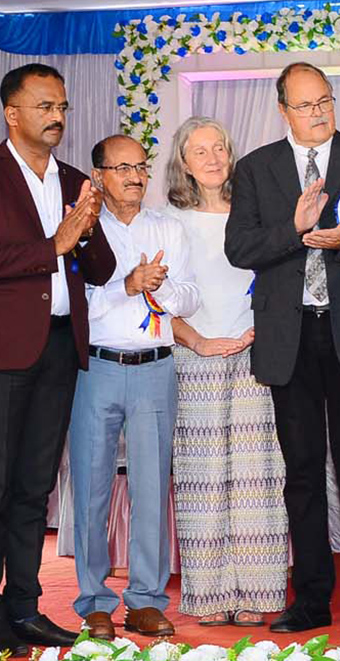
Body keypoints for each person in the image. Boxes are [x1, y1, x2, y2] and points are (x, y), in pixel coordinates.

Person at [225, 62, 340, 634]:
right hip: (289, 338)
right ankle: (312, 598)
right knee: (301, 472)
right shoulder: (255, 168)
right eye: (305, 105)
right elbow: (240, 247)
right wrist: (295, 233)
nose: (319, 111)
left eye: (324, 99)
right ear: (283, 111)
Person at [0, 63, 115, 655]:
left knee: (33, 487)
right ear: (11, 112)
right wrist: (55, 245)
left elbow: (102, 270)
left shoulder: (74, 180)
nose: (57, 117)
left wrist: (88, 230)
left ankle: (20, 611)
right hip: (6, 352)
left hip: (60, 349)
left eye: (63, 107)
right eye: (45, 106)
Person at [69, 134, 200, 639]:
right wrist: (127, 285)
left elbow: (188, 299)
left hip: (155, 367)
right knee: (92, 486)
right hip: (95, 367)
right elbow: (78, 304)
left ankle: (145, 599)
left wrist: (158, 284)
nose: (135, 176)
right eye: (122, 167)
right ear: (99, 175)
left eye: (141, 166)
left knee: (151, 487)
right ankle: (94, 600)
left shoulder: (169, 227)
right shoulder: (82, 230)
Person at [165, 117, 288, 627]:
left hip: (255, 357)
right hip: (195, 358)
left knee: (259, 480)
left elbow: (281, 278)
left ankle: (258, 592)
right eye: (200, 151)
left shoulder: (255, 214)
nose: (213, 158)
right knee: (202, 482)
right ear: (184, 164)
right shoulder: (170, 223)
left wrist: (266, 331)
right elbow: (159, 301)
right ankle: (209, 595)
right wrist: (200, 341)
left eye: (220, 148)